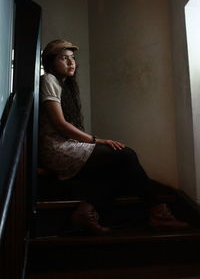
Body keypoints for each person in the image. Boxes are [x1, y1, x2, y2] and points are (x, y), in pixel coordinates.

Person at [39, 39, 188, 234]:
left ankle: (86, 211)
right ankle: (158, 213)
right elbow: (60, 124)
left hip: (67, 146)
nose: (71, 63)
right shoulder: (48, 79)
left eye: (73, 58)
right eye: (64, 58)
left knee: (123, 167)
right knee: (126, 155)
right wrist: (96, 140)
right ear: (51, 62)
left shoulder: (64, 85)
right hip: (56, 149)